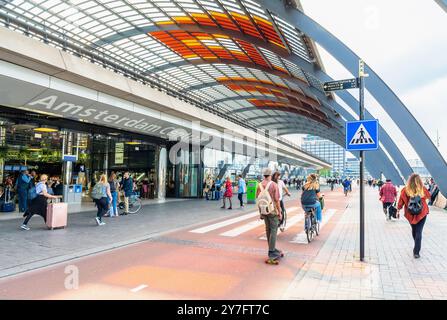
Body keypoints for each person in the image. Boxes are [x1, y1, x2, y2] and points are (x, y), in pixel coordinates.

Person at [397, 173, 431, 259]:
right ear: (419, 181)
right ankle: (416, 252)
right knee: (419, 232)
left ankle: (416, 245)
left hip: (410, 213)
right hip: (422, 213)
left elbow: (401, 201)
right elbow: (428, 196)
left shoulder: (405, 190)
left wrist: (398, 210)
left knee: (414, 230)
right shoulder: (422, 189)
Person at [256, 168, 282, 264]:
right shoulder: (273, 185)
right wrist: (280, 212)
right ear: (270, 175)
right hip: (272, 210)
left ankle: (272, 248)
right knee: (274, 230)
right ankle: (271, 252)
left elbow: (258, 200)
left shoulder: (259, 185)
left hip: (264, 210)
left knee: (268, 229)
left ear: (264, 175)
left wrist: (260, 213)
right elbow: (277, 200)